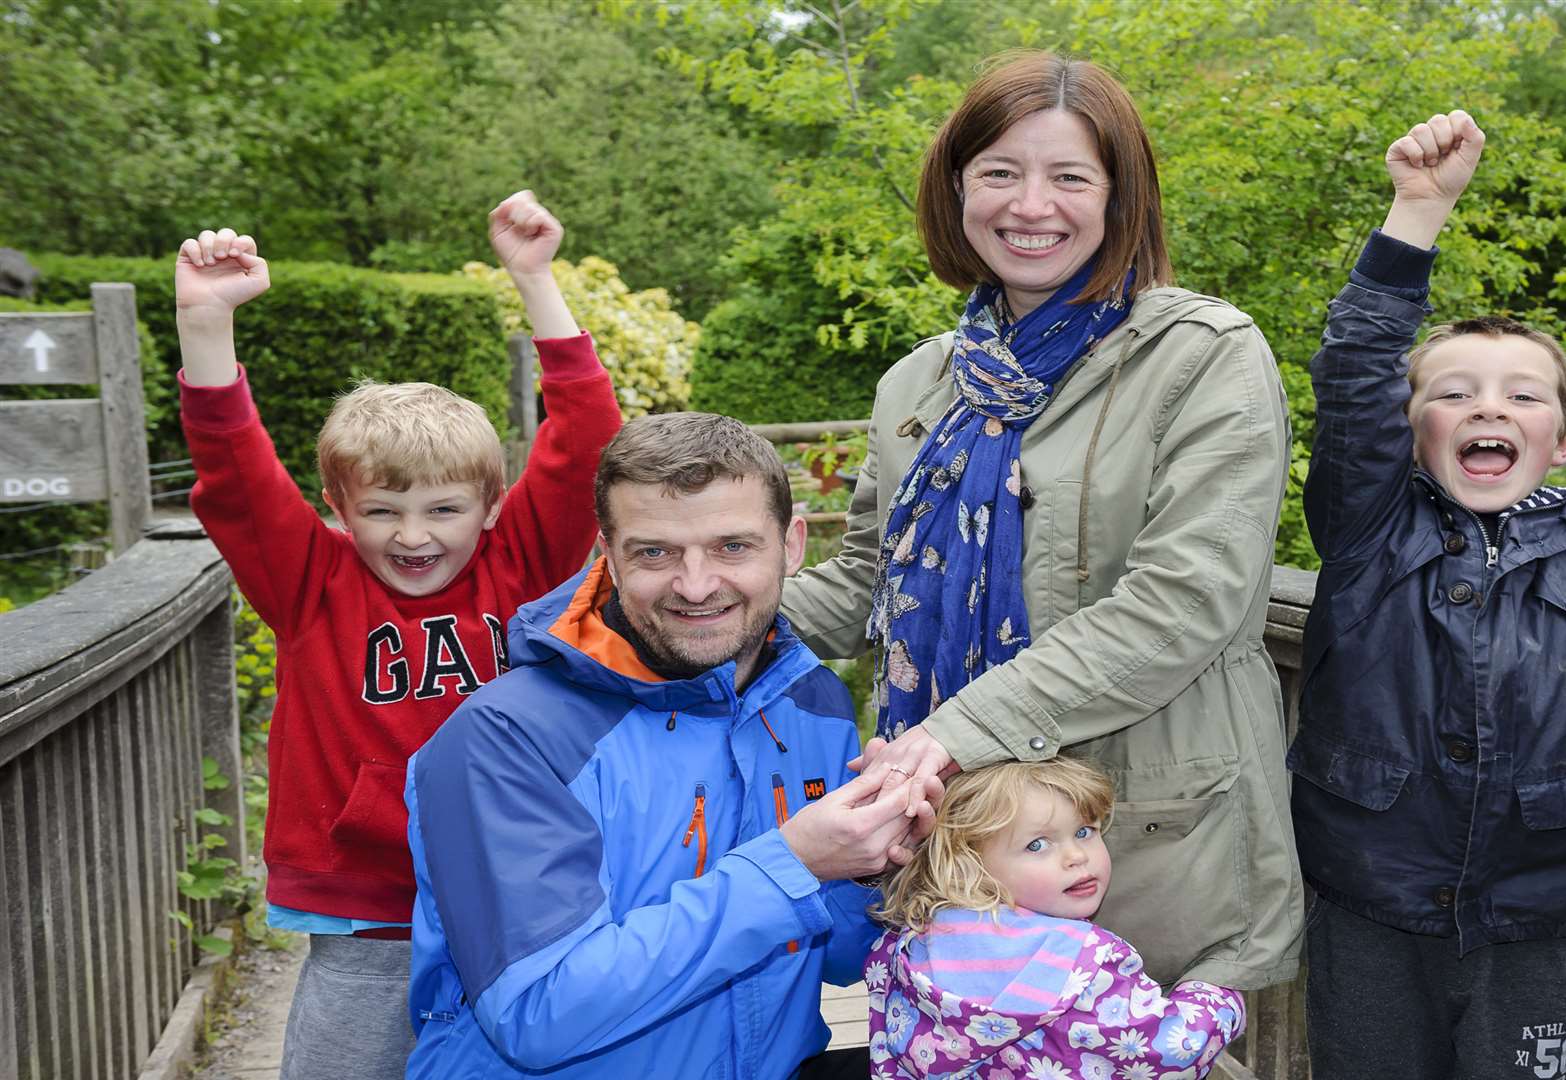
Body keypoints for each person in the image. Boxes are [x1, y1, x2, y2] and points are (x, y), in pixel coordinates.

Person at [782, 49, 1302, 994]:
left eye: (1069, 176)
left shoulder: (1202, 356)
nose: (1031, 206)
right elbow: (866, 583)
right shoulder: (921, 383)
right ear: (956, 188)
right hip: (952, 845)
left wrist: (955, 730)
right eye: (1000, 173)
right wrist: (669, 614)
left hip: (1129, 842)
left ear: (1120, 197)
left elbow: (1187, 603)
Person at [1290, 111, 1566, 1079]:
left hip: (1544, 918)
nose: (1489, 407)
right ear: (1412, 433)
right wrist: (1418, 210)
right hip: (1373, 909)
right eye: (1453, 393)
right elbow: (1357, 373)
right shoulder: (1366, 526)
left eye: (1523, 396)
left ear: (1565, 444)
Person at [173, 193, 621, 1079]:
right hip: (366, 912)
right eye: (382, 511)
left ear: (492, 506)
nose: (414, 537)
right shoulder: (309, 583)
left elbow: (589, 438)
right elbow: (233, 470)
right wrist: (204, 323)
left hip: (515, 896)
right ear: (337, 512)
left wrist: (534, 279)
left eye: (444, 510)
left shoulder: (524, 562)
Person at [404, 412, 933, 1078]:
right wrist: (794, 862)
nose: (695, 584)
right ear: (609, 554)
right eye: (654, 552)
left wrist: (877, 857)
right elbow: (538, 1013)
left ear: (792, 545)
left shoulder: (811, 702)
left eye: (732, 546)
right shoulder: (505, 739)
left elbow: (840, 955)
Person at [866, 757, 1246, 1078]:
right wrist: (1218, 994)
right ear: (970, 865)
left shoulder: (903, 949)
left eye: (1084, 831)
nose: (1076, 856)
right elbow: (1171, 1050)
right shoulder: (1087, 962)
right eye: (1037, 844)